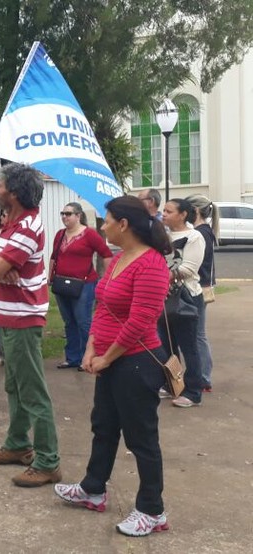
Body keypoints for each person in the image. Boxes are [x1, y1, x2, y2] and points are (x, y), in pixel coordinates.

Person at [53, 195, 173, 537]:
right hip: (108, 359)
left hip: (136, 363)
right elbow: (103, 306)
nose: (102, 226)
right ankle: (93, 488)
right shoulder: (119, 259)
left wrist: (107, 357)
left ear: (123, 224)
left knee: (141, 438)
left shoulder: (151, 264)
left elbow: (140, 321)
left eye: (106, 220)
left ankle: (152, 510)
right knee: (103, 426)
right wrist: (91, 348)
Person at [0, 163, 61, 487]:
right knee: (15, 386)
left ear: (13, 192)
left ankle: (48, 461)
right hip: (8, 316)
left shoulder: (26, 228)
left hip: (23, 318)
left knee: (32, 391)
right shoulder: (12, 224)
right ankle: (17, 444)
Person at [50, 202, 113, 369]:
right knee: (69, 322)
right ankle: (72, 358)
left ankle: (88, 357)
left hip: (84, 284)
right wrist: (50, 277)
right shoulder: (60, 234)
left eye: (68, 214)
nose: (64, 217)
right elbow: (54, 257)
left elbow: (106, 254)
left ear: (78, 216)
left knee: (83, 321)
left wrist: (107, 278)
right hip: (61, 283)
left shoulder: (89, 234)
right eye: (63, 213)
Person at [161, 198, 206, 408]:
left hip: (186, 297)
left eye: (169, 211)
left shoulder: (194, 237)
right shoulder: (163, 236)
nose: (164, 214)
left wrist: (160, 274)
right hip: (164, 296)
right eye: (164, 210)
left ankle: (194, 391)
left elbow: (189, 269)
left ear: (183, 215)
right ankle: (171, 384)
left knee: (189, 346)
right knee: (167, 344)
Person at [186, 194, 217, 392]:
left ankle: (204, 377)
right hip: (203, 285)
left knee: (198, 335)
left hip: (199, 287)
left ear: (195, 211)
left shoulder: (200, 233)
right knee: (198, 334)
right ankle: (203, 376)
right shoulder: (205, 231)